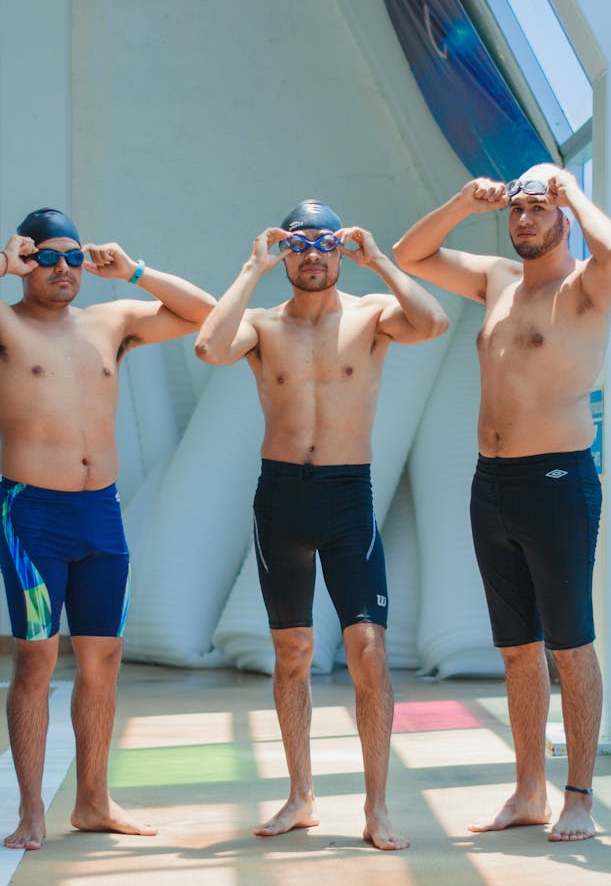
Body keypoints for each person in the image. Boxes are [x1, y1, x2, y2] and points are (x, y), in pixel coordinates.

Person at [0, 207, 215, 850]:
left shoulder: (112, 322)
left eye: (71, 257)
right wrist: (0, 261)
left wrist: (133, 270)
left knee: (103, 657)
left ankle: (94, 801)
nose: (61, 269)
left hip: (101, 512)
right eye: (46, 257)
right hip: (33, 514)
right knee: (37, 658)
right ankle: (30, 811)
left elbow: (205, 313)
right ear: (27, 260)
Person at [195, 199, 448, 850]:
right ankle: (300, 796)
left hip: (345, 496)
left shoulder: (371, 315)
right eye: (299, 244)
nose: (313, 254)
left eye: (325, 243)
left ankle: (376, 806)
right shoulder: (261, 323)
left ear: (341, 249)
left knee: (369, 650)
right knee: (292, 656)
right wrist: (252, 267)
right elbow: (209, 346)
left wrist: (382, 261)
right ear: (285, 252)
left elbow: (434, 321)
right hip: (280, 499)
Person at [393, 164, 611, 843]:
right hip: (491, 484)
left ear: (563, 219)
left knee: (569, 649)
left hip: (557, 484)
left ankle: (577, 793)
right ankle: (527, 790)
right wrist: (463, 200)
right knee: (518, 651)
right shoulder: (496, 280)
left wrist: (567, 186)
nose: (524, 220)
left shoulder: (586, 288)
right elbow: (411, 256)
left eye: (538, 209)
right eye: (516, 209)